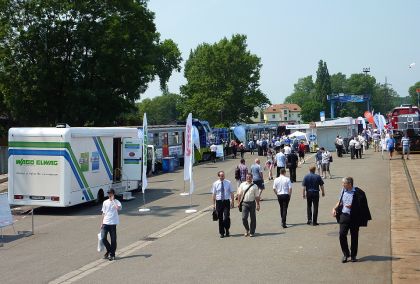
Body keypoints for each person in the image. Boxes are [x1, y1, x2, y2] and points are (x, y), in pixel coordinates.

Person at [332, 177, 371, 263]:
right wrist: (334, 208)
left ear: (349, 184)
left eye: (344, 183)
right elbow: (340, 202)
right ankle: (346, 254)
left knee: (354, 236)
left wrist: (353, 207)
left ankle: (353, 255)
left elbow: (363, 206)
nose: (342, 185)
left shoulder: (358, 192)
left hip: (354, 217)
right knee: (342, 235)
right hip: (344, 216)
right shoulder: (343, 191)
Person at [212, 171, 235, 238]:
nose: (222, 177)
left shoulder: (228, 182)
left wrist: (232, 202)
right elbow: (213, 194)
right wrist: (213, 205)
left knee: (226, 216)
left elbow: (232, 193)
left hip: (226, 201)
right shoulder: (215, 184)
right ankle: (222, 232)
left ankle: (227, 229)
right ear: (218, 176)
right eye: (221, 176)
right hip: (219, 202)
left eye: (223, 175)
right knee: (220, 218)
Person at [101, 188, 122, 261]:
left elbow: (118, 208)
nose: (109, 195)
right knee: (103, 238)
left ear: (113, 194)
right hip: (105, 223)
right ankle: (109, 250)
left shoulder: (117, 202)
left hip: (113, 223)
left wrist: (113, 201)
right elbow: (103, 213)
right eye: (108, 193)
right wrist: (101, 223)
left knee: (113, 240)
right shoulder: (105, 202)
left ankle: (112, 254)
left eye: (111, 193)